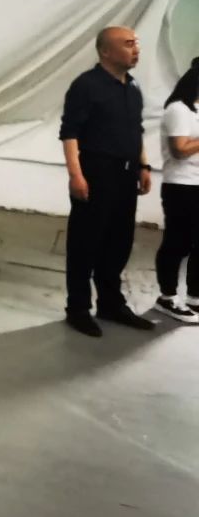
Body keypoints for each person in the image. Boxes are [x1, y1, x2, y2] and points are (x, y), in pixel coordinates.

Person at [59, 26, 155, 337]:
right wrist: (76, 175)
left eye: (136, 44)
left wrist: (143, 165)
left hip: (126, 175)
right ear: (106, 51)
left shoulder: (133, 87)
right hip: (96, 173)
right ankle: (78, 308)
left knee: (118, 242)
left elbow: (136, 130)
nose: (135, 49)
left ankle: (111, 303)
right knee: (85, 242)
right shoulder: (86, 86)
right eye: (128, 44)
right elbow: (70, 133)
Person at [152, 57, 199, 322]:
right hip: (181, 186)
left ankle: (195, 297)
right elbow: (179, 150)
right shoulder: (178, 110)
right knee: (178, 243)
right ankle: (167, 297)